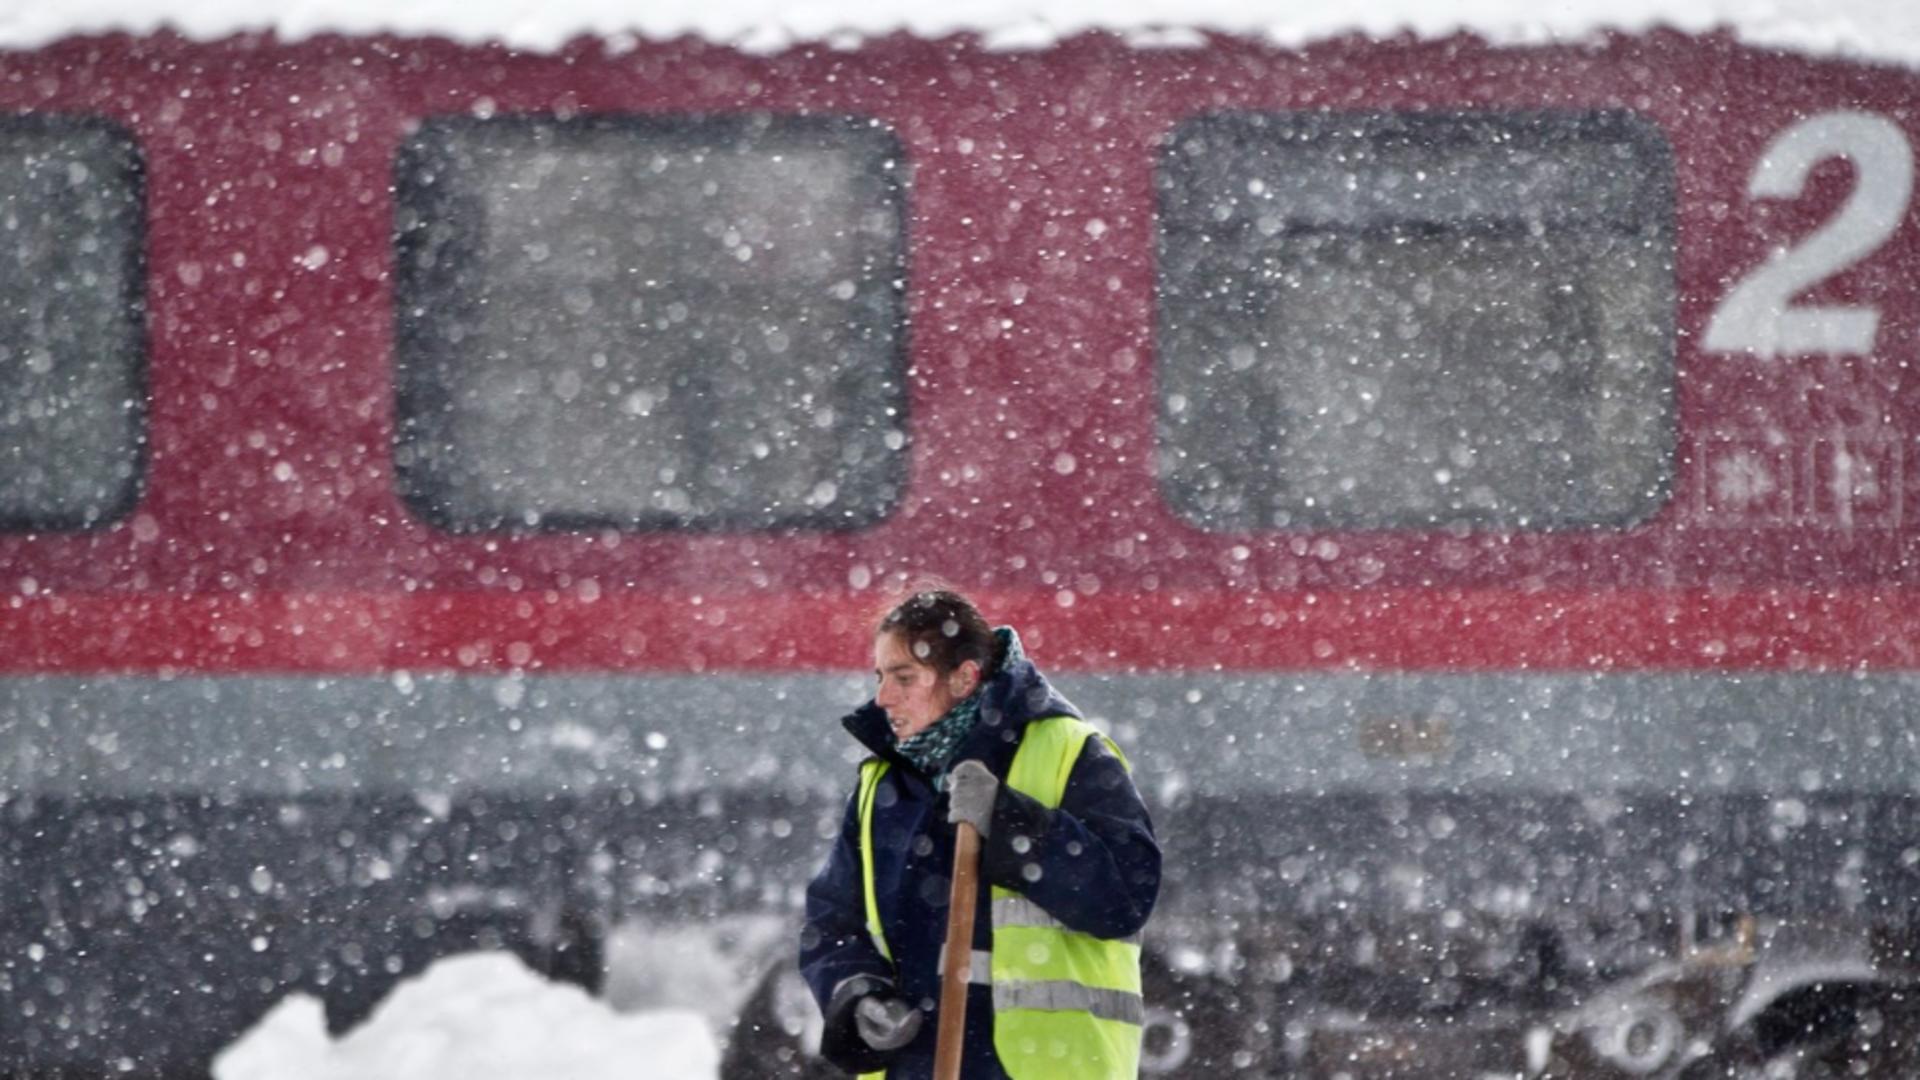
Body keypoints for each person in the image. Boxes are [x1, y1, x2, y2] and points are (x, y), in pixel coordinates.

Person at [799, 589, 1161, 1079]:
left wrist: (1008, 821)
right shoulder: (882, 786)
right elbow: (832, 922)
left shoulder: (1069, 752)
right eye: (880, 677)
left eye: (904, 678)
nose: (883, 698)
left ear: (964, 678)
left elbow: (1125, 898)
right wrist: (858, 995)